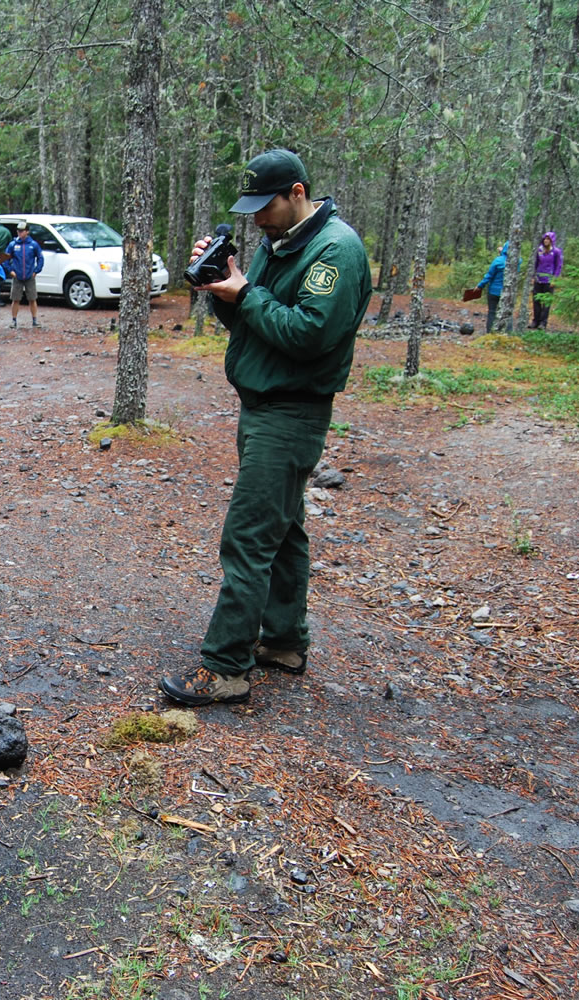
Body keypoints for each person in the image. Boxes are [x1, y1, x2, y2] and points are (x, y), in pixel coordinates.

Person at [159, 148, 371, 707]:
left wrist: (247, 293)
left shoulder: (334, 251)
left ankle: (225, 668)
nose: (256, 217)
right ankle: (283, 641)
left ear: (297, 192)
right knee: (284, 530)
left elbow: (307, 334)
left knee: (249, 537)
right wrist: (225, 287)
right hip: (263, 405)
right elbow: (259, 323)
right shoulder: (283, 242)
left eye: (265, 205)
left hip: (291, 412)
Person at [3, 222, 44, 329]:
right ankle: (14, 320)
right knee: (15, 299)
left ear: (27, 232)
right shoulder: (13, 244)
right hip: (17, 276)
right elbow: (5, 258)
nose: (19, 233)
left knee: (32, 298)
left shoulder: (33, 245)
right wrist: (10, 271)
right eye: (18, 231)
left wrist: (36, 271)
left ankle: (35, 320)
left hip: (30, 276)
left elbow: (40, 258)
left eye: (22, 231)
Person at [475, 242, 510, 333]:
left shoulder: (498, 261)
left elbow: (489, 275)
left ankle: (490, 332)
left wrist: (480, 286)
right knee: (507, 313)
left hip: (494, 291)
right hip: (508, 292)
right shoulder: (517, 261)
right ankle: (509, 333)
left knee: (492, 312)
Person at [532, 231, 562, 329]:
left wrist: (555, 279)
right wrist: (533, 276)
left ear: (552, 240)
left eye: (548, 239)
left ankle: (543, 323)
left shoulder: (556, 251)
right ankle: (535, 321)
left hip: (549, 280)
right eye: (545, 239)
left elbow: (558, 266)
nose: (546, 241)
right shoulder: (539, 250)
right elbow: (536, 263)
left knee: (546, 303)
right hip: (538, 279)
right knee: (536, 300)